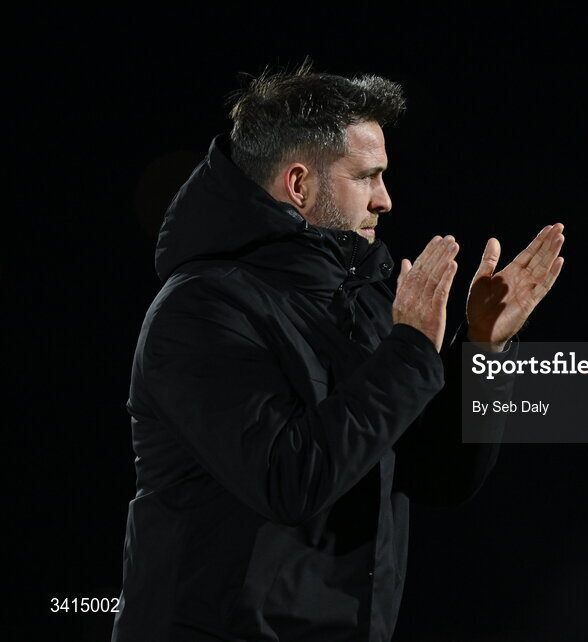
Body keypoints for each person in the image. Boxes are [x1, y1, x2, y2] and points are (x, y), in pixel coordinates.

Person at [111, 60, 565, 642]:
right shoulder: (200, 311)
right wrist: (408, 350)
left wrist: (485, 350)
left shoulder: (368, 299)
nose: (386, 200)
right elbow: (290, 481)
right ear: (299, 184)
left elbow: (439, 479)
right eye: (367, 176)